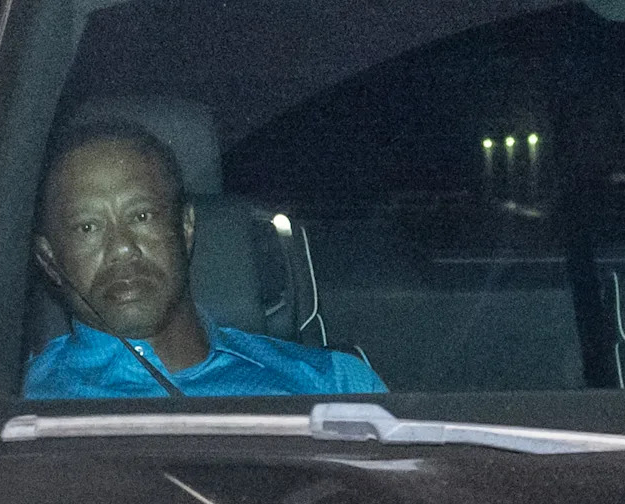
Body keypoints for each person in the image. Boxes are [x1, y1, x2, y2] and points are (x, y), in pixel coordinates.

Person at [24, 121, 387, 398]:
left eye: (142, 216)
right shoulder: (15, 407)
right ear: (50, 259)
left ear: (185, 227)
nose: (121, 248)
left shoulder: (334, 386)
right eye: (87, 227)